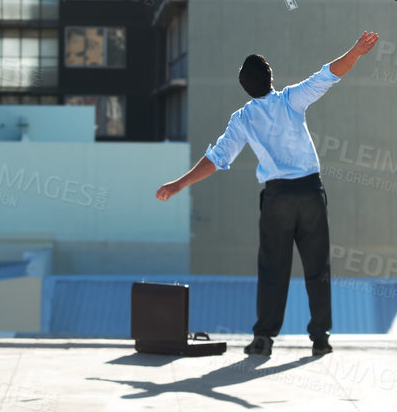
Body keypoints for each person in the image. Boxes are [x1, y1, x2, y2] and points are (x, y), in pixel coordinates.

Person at [155, 31, 379, 356]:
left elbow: (216, 159)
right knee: (317, 267)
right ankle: (320, 337)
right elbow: (328, 74)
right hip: (310, 193)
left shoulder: (243, 118)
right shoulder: (291, 100)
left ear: (245, 87)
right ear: (270, 78)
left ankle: (264, 338)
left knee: (273, 268)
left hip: (277, 199)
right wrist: (356, 51)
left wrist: (178, 184)